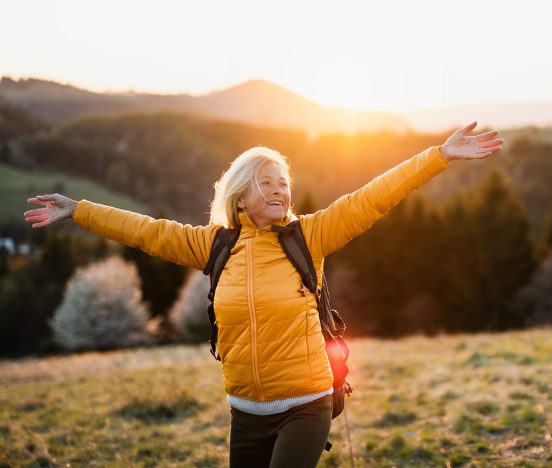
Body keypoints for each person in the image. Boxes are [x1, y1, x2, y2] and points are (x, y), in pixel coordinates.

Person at [24, 120, 503, 467]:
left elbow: (374, 196)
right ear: (240, 195)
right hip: (245, 411)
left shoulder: (309, 237)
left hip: (307, 403)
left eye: (284, 184)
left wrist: (438, 156)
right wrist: (79, 210)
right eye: (266, 183)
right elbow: (145, 231)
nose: (280, 191)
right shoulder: (214, 246)